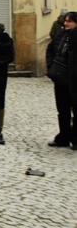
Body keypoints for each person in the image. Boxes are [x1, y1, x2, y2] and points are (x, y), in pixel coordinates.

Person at [46, 11, 76, 148]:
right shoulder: (61, 34)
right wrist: (52, 65)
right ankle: (63, 137)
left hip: (74, 80)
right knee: (63, 110)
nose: (65, 23)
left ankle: (75, 138)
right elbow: (50, 48)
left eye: (69, 21)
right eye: (65, 20)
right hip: (61, 79)